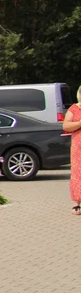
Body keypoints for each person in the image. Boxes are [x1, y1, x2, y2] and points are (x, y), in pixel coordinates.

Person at [62, 86, 81, 215]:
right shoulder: (74, 109)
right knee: (78, 172)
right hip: (78, 147)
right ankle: (77, 203)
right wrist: (80, 123)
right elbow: (66, 126)